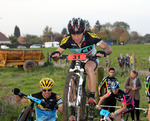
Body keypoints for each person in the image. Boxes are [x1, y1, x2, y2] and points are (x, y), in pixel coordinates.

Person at [51, 18, 112, 104]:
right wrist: (55, 56)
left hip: (91, 59)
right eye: (73, 34)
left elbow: (108, 48)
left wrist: (104, 52)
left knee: (89, 68)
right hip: (76, 60)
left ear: (83, 32)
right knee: (71, 82)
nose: (76, 37)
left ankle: (91, 96)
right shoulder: (67, 39)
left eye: (79, 34)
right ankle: (72, 110)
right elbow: (58, 53)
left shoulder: (91, 36)